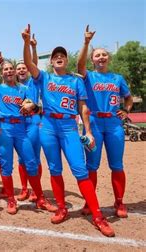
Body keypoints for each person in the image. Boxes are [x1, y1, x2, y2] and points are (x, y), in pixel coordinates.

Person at [22, 24, 115, 237]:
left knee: (80, 170)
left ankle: (98, 216)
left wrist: (89, 131)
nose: (59, 57)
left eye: (62, 55)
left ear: (66, 59)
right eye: (56, 55)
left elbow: (83, 107)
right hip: (48, 126)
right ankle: (62, 208)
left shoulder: (75, 80)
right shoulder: (44, 77)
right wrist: (26, 43)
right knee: (55, 169)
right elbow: (28, 63)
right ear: (52, 61)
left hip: (68, 126)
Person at [0, 54, 56, 215]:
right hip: (3, 128)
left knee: (31, 162)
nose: (9, 71)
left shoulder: (24, 89)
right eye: (5, 69)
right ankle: (11, 200)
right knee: (6, 166)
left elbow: (33, 105)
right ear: (2, 74)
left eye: (10, 69)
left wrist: (31, 105)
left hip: (21, 128)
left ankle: (40, 198)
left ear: (15, 71)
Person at [77, 25, 133, 218]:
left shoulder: (117, 78)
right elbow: (79, 66)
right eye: (97, 55)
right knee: (91, 166)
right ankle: (89, 201)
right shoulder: (88, 76)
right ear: (92, 60)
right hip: (93, 124)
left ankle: (119, 202)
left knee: (117, 165)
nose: (101, 57)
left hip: (114, 125)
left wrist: (125, 110)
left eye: (104, 55)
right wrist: (86, 43)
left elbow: (128, 98)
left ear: (108, 58)